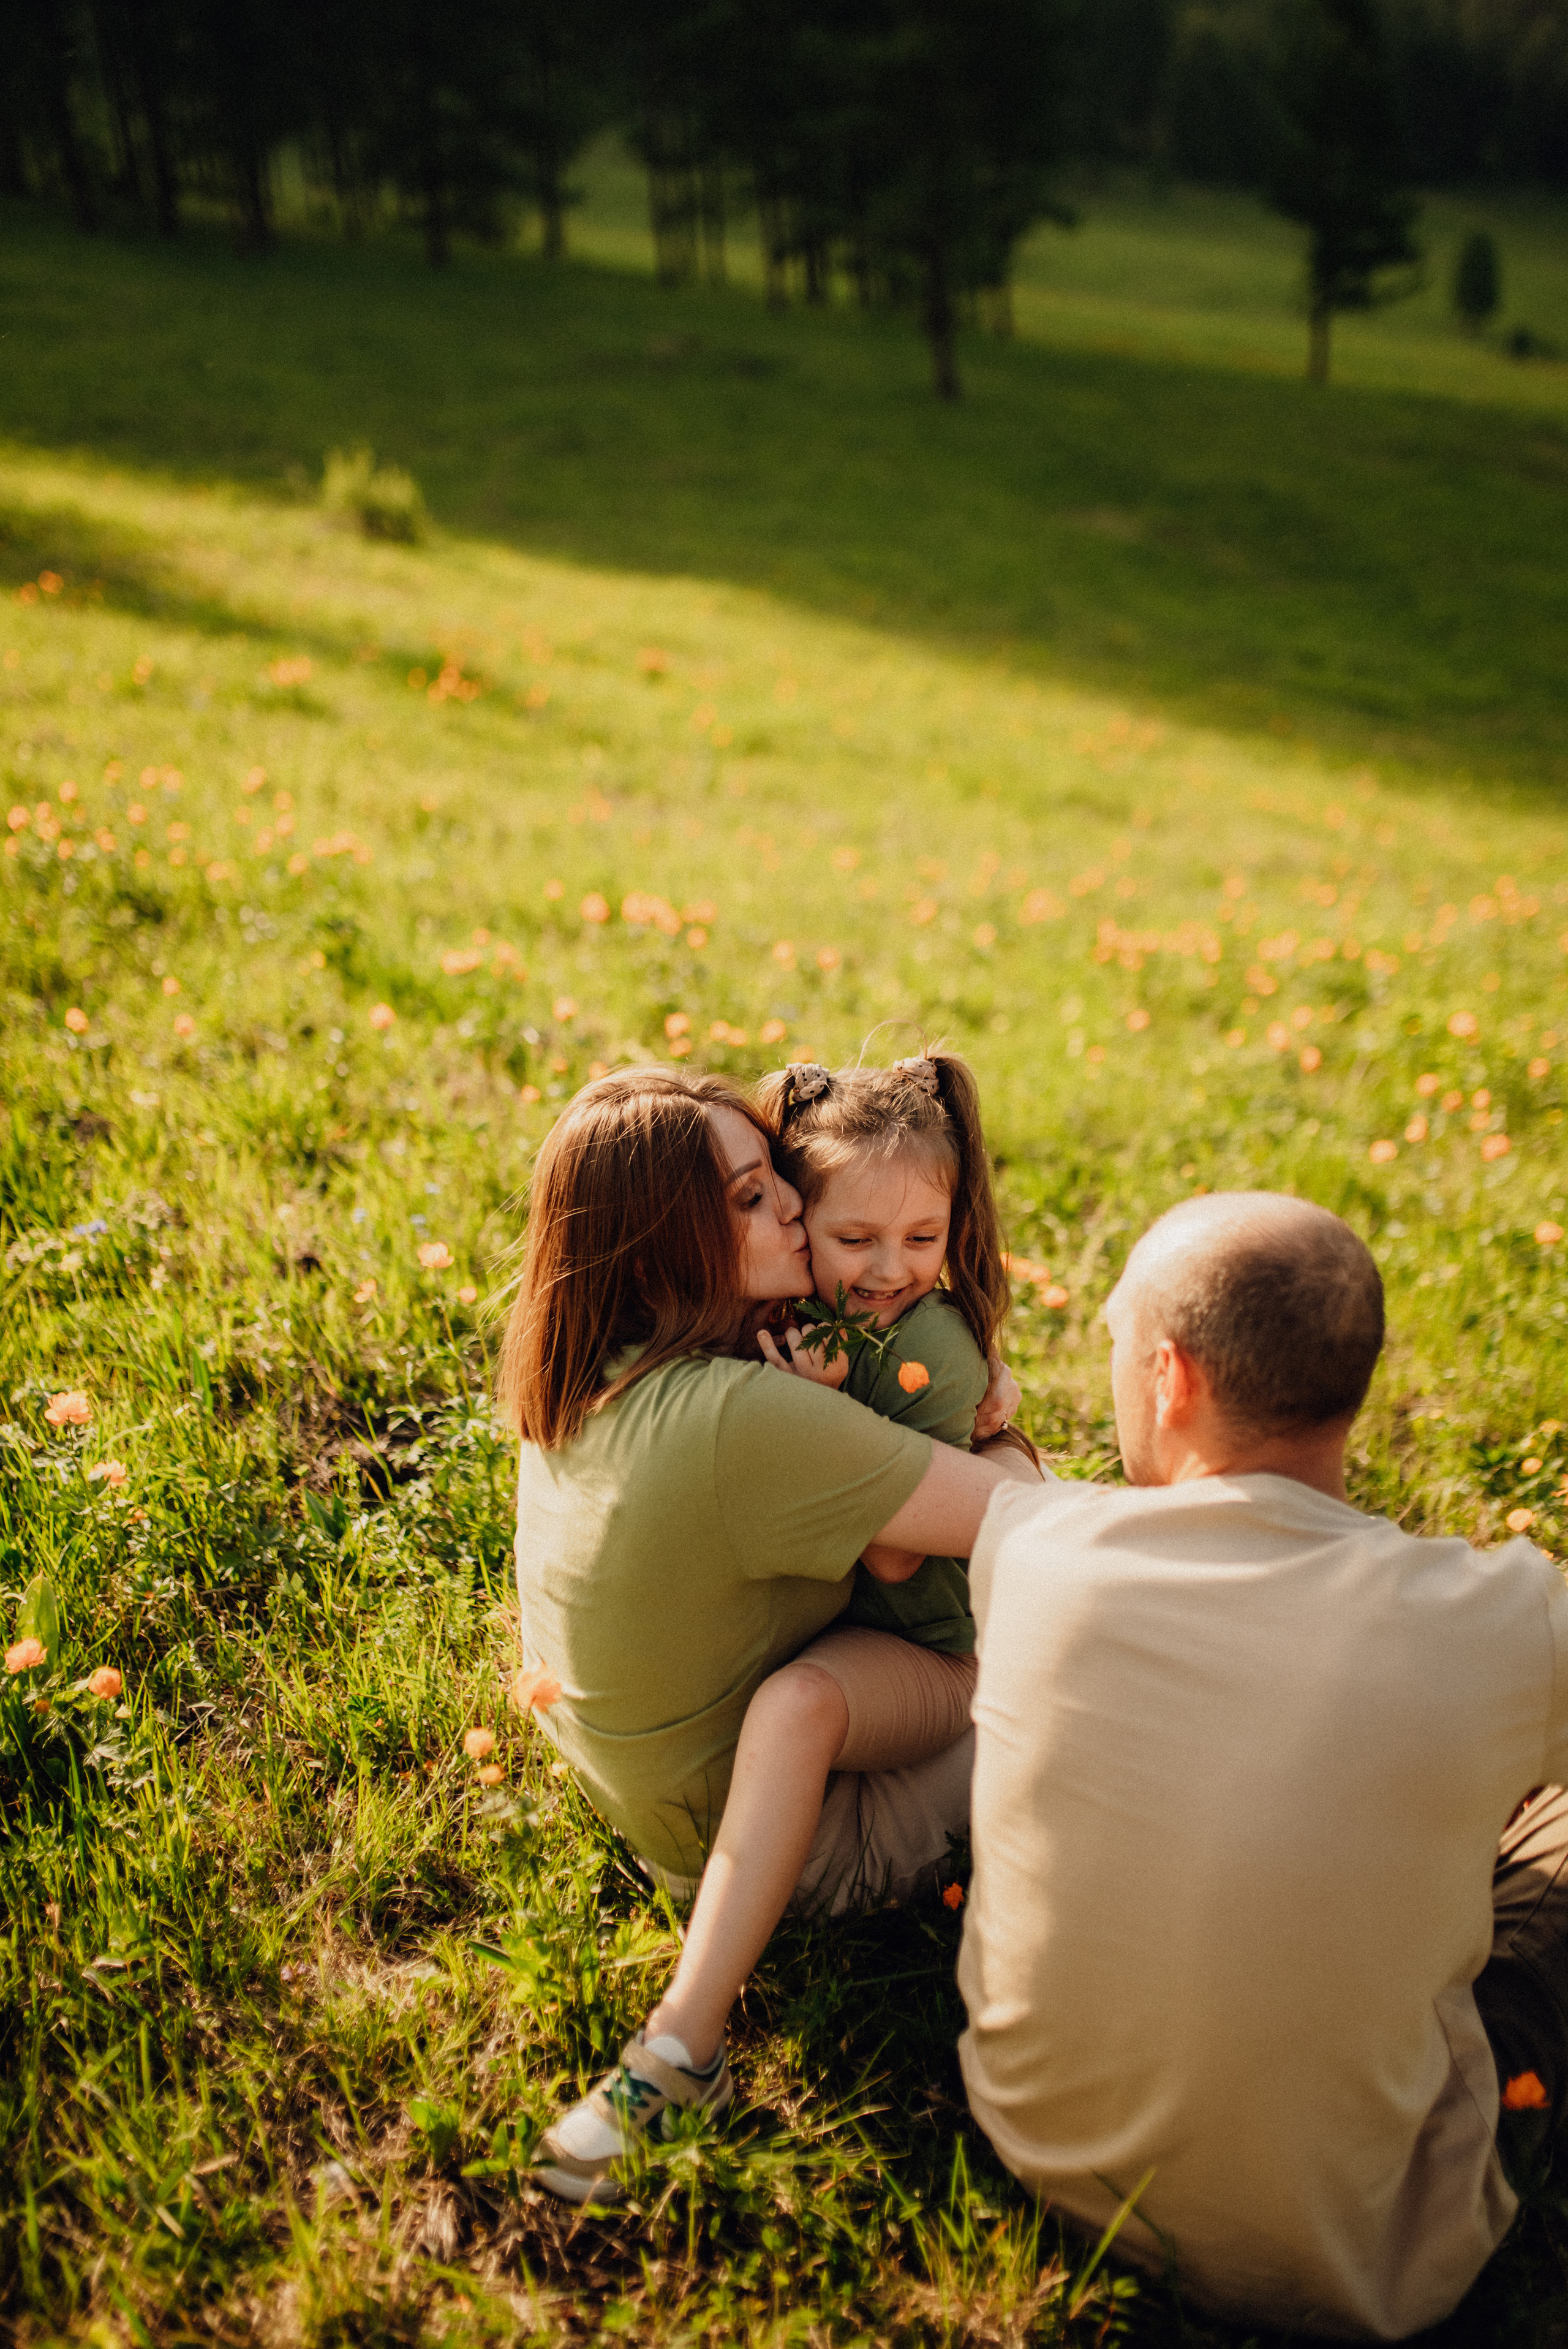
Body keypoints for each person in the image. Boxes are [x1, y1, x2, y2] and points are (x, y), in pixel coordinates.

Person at [957, 1189, 1568, 2339]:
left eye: (1116, 1343)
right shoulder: (1495, 1621)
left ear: (1172, 1378)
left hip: (1046, 2164)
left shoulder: (1032, 1550)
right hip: (1362, 2257)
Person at [502, 1066, 1034, 2203]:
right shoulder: (749, 1418)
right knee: (1085, 1674)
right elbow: (1039, 1532)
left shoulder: (589, 1370)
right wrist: (1012, 1441)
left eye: (776, 1180)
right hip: (786, 1849)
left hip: (663, 1816)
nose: (793, 1206)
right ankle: (683, 2050)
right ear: (658, 1250)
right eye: (754, 1198)